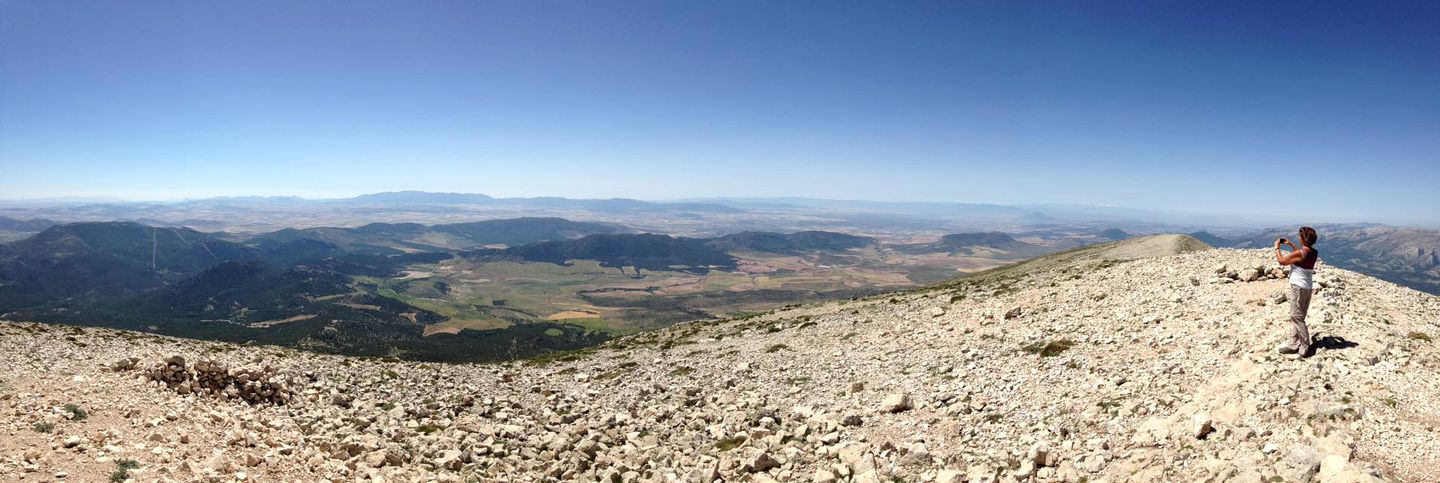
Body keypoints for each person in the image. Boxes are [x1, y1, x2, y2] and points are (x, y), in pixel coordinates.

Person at [1274, 226, 1319, 357]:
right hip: (1308, 287)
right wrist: (1292, 245)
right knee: (1300, 316)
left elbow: (1282, 261)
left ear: (1302, 239)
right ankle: (1294, 343)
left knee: (1296, 316)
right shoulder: (1313, 252)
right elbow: (1300, 257)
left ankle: (1305, 346)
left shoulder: (1300, 253)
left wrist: (1277, 248)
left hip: (1298, 287)